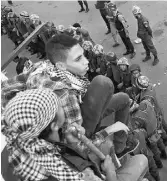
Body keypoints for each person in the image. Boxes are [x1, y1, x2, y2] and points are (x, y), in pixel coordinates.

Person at [2, 34, 138, 160]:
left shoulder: (41, 67)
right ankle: (98, 131)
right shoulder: (65, 94)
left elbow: (6, 88)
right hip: (69, 130)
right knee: (102, 83)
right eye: (78, 59)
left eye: (83, 56)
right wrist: (108, 131)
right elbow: (77, 145)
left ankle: (120, 147)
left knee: (123, 99)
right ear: (61, 65)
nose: (86, 62)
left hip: (69, 115)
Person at [1, 88, 149, 181]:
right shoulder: (73, 174)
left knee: (106, 147)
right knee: (141, 161)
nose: (63, 108)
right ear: (52, 125)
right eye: (59, 107)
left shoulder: (11, 149)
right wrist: (110, 171)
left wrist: (70, 143)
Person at [127, 75, 167, 142]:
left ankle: (166, 139)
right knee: (163, 123)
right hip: (158, 109)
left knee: (159, 128)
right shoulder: (150, 86)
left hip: (155, 113)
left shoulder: (146, 98)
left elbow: (147, 107)